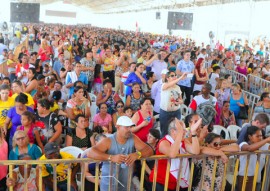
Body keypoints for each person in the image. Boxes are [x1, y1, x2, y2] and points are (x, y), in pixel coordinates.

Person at [87, 116, 154, 191]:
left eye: (130, 127)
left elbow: (149, 150)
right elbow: (90, 153)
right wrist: (111, 157)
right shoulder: (109, 140)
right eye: (126, 127)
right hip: (109, 184)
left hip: (127, 184)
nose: (129, 130)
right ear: (118, 127)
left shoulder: (133, 137)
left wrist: (137, 154)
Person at [149, 118, 202, 191]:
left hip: (175, 183)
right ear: (173, 131)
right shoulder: (163, 142)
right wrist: (180, 134)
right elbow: (172, 154)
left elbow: (196, 151)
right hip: (160, 181)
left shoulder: (183, 141)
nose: (185, 131)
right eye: (182, 129)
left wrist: (193, 133)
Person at [238, 126, 270, 191]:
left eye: (261, 136)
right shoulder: (243, 144)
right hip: (245, 178)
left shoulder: (264, 145)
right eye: (257, 136)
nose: (260, 138)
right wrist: (266, 140)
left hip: (258, 178)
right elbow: (250, 148)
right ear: (250, 137)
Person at [159, 71, 187, 137]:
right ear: (167, 78)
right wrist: (181, 77)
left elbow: (181, 100)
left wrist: (180, 102)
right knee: (164, 131)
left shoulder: (178, 87)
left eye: (175, 75)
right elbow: (170, 84)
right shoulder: (164, 85)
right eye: (172, 76)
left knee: (177, 129)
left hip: (176, 111)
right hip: (165, 112)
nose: (174, 77)